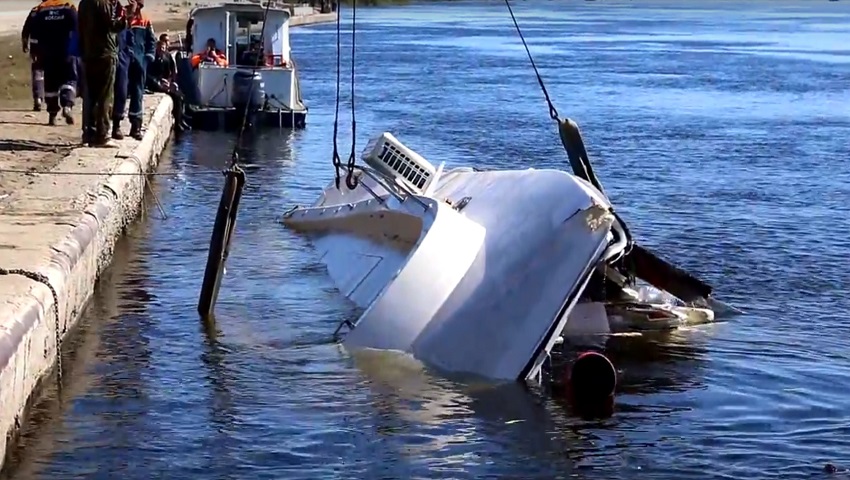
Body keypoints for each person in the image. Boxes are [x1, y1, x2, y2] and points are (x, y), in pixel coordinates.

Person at [78, 0, 131, 147]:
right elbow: (112, 25)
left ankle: (89, 134)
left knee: (91, 96)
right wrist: (126, 17)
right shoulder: (103, 3)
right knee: (105, 96)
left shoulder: (84, 3)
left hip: (89, 54)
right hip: (105, 54)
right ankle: (102, 135)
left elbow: (80, 29)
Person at [21, 0, 78, 125]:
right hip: (67, 53)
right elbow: (78, 30)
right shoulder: (69, 8)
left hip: (47, 54)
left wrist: (32, 49)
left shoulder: (40, 11)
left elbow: (31, 31)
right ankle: (67, 106)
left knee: (50, 84)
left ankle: (52, 115)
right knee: (69, 80)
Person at [115, 0, 155, 140]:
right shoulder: (121, 15)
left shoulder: (145, 20)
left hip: (139, 61)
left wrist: (148, 57)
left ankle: (136, 127)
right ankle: (116, 125)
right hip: (123, 60)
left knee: (138, 93)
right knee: (120, 91)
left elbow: (151, 41)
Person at [146, 38, 190, 132]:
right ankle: (178, 123)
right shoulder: (152, 58)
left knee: (180, 95)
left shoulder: (167, 56)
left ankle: (181, 119)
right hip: (155, 83)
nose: (162, 50)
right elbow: (148, 74)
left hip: (166, 82)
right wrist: (159, 82)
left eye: (163, 48)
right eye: (160, 48)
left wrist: (171, 82)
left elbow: (172, 70)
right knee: (175, 97)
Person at [20, 2, 45, 112]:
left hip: (36, 47)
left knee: (37, 72)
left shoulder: (35, 11)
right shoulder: (58, 10)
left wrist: (25, 43)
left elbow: (26, 29)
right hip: (53, 48)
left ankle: (38, 98)